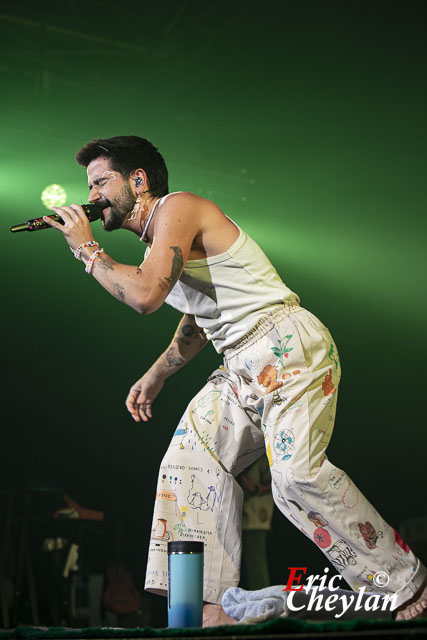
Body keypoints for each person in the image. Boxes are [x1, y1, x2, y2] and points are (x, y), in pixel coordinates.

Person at [44, 135, 427, 626]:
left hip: (286, 346)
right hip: (239, 365)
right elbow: (198, 318)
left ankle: (403, 582)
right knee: (187, 461)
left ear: (138, 181)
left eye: (101, 182)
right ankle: (209, 608)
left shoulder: (176, 208)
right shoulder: (162, 240)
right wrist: (156, 374)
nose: (91, 195)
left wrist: (87, 250)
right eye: (89, 185)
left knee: (296, 479)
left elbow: (144, 296)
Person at [237, 455, 274, 591]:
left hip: (256, 516)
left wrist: (255, 489)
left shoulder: (265, 454)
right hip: (240, 515)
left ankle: (262, 603)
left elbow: (276, 481)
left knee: (255, 563)